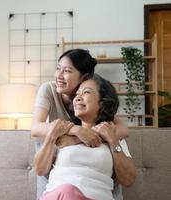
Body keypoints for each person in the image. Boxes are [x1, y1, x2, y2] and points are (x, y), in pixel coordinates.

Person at [31, 49, 128, 199]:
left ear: (84, 77)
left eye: (67, 71)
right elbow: (36, 128)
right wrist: (75, 130)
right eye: (58, 69)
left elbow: (122, 129)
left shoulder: (95, 97)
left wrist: (80, 138)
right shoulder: (49, 89)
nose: (59, 76)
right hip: (57, 145)